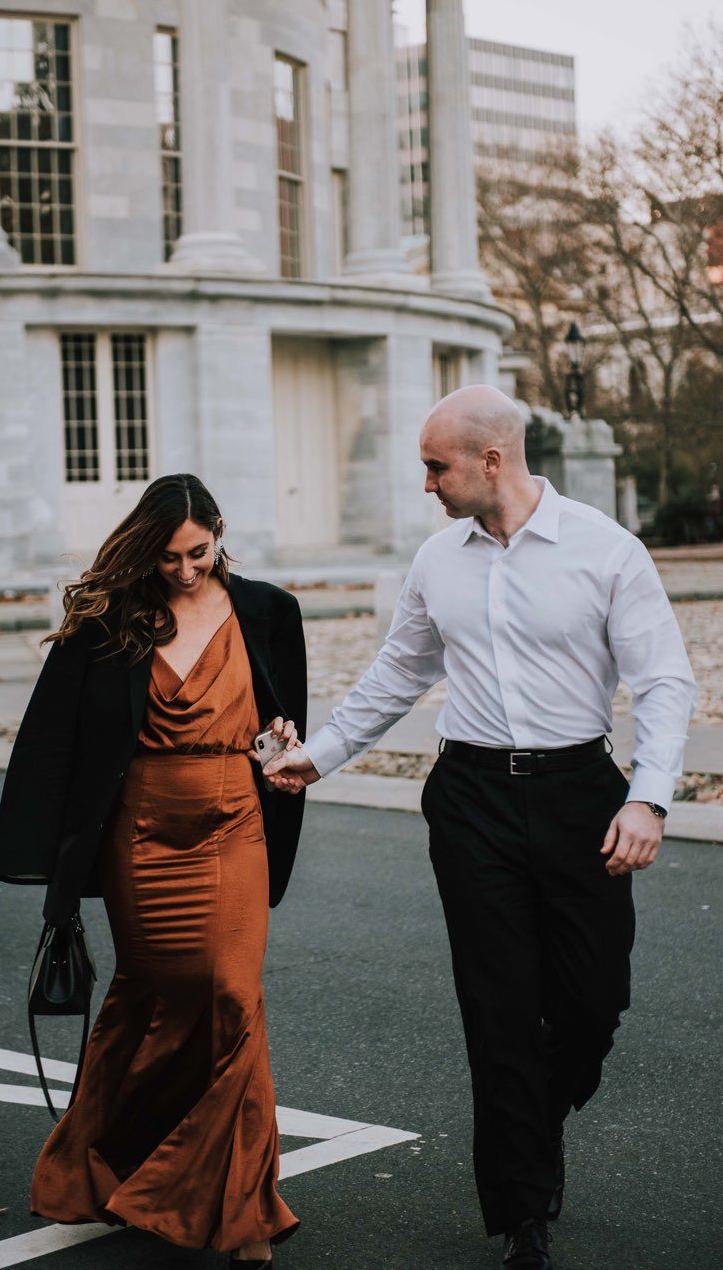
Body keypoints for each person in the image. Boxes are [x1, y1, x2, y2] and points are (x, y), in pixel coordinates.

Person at [265, 387, 696, 1269]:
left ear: (491, 460)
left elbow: (663, 683)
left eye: (436, 466)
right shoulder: (436, 561)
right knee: (497, 1010)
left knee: (591, 1000)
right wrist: (325, 753)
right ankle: (522, 1212)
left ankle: (531, 1124)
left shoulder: (607, 551)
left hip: (581, 792)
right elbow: (399, 671)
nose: (425, 483)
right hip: (470, 800)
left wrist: (647, 798)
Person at [0, 474, 307, 1267]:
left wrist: (287, 747)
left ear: (220, 535)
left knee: (233, 993)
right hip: (142, 832)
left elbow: (281, 720)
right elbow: (54, 740)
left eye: (198, 552)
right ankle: (118, 1157)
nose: (186, 569)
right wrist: (51, 870)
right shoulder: (109, 618)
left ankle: (241, 1207)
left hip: (236, 819)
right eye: (168, 556)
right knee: (158, 995)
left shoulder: (268, 610)